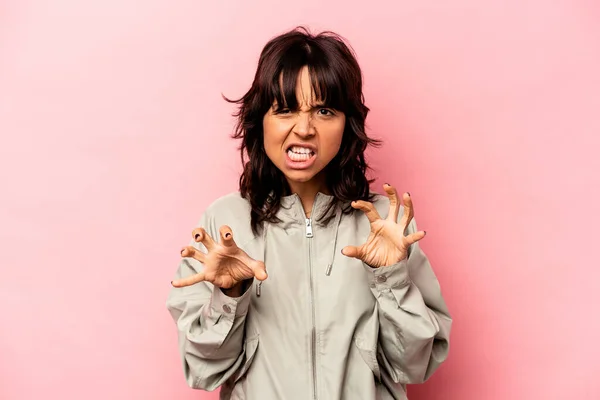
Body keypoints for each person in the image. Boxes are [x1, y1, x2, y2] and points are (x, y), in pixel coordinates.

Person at [166, 26, 452, 400]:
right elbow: (204, 371)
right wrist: (229, 295)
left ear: (347, 124)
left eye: (324, 110)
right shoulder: (225, 225)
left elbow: (414, 365)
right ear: (260, 120)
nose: (304, 129)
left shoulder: (385, 224)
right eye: (285, 110)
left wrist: (392, 278)